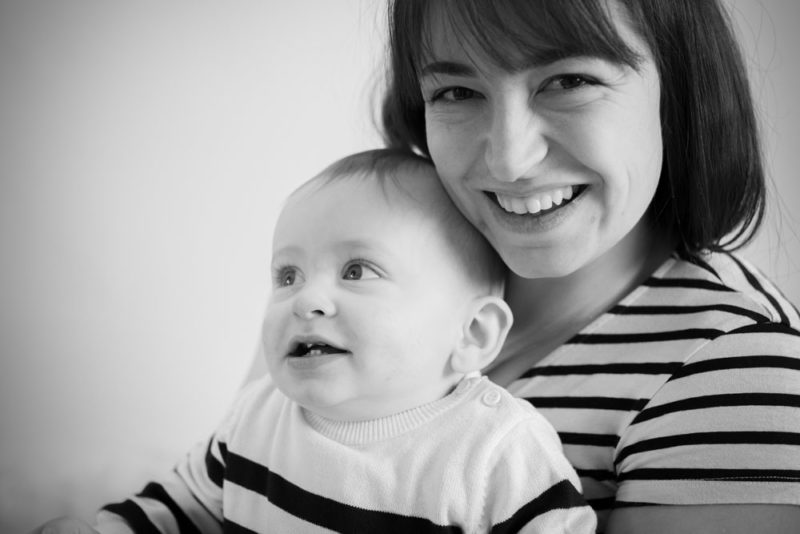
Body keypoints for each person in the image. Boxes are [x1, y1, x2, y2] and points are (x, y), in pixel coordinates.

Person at [380, 0, 800, 533]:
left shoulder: (737, 375)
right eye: (457, 92)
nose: (509, 159)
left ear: (680, 90)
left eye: (569, 80)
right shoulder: (365, 281)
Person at [32, 149, 597, 533]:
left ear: (472, 334)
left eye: (357, 271)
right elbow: (185, 506)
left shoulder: (495, 454)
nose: (307, 300)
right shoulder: (258, 418)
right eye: (287, 276)